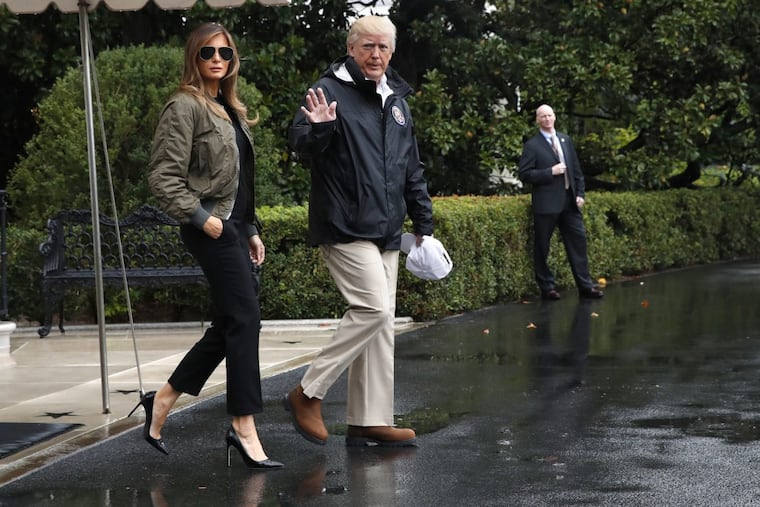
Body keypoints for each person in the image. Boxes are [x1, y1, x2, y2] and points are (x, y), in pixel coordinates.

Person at [133, 22, 282, 470]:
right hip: (209, 229)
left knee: (231, 322)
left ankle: (162, 400)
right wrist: (205, 220)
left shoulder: (228, 108)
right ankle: (242, 425)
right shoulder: (184, 106)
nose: (217, 58)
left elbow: (241, 181)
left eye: (225, 52)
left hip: (234, 227)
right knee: (245, 319)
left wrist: (250, 228)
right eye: (207, 53)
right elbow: (162, 177)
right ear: (193, 57)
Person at [285, 15, 433, 448]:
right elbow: (298, 145)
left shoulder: (397, 102)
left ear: (392, 51)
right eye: (367, 46)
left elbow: (411, 168)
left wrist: (423, 220)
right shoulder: (328, 90)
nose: (376, 55)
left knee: (381, 326)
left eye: (383, 48)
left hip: (387, 229)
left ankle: (369, 419)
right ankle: (306, 393)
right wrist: (320, 129)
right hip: (345, 224)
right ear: (351, 48)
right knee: (373, 310)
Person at [517, 104, 603, 300]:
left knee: (578, 244)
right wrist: (550, 172)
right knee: (542, 247)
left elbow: (576, 170)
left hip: (569, 202)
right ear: (538, 120)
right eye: (543, 116)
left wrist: (580, 193)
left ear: (555, 117)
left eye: (550, 115)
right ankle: (547, 288)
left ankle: (586, 286)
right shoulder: (532, 145)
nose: (547, 119)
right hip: (546, 204)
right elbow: (524, 174)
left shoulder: (565, 139)